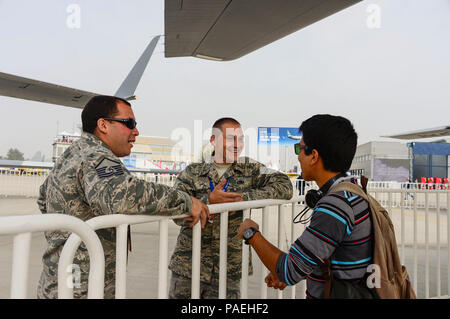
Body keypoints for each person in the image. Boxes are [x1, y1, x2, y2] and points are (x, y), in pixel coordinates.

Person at [37, 95, 209, 299]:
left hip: (61, 280)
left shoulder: (73, 153)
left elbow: (43, 198)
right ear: (103, 125)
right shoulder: (96, 155)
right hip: (82, 287)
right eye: (129, 123)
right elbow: (122, 195)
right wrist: (186, 202)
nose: (135, 131)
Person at [238, 114, 373, 299]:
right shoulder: (354, 192)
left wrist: (251, 233)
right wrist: (297, 269)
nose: (299, 157)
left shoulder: (335, 207)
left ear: (314, 156)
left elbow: (289, 270)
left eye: (299, 149)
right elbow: (325, 256)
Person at [168, 117, 293, 299]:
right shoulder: (192, 172)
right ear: (213, 140)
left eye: (241, 139)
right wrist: (207, 201)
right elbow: (175, 210)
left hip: (230, 269)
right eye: (230, 139)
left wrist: (242, 200)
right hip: (189, 266)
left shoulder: (250, 168)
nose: (237, 145)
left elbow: (285, 185)